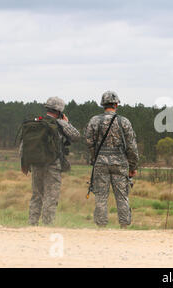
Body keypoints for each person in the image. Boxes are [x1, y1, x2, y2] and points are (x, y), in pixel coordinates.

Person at [20, 97, 80, 225]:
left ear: (47, 108)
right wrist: (66, 123)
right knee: (50, 197)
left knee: (36, 196)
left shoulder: (36, 122)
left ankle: (32, 225)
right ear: (59, 110)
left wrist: (24, 163)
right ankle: (47, 226)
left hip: (35, 164)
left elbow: (24, 144)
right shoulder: (60, 123)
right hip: (53, 165)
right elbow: (76, 136)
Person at [84, 91, 139, 228]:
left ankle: (101, 227)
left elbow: (89, 142)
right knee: (122, 196)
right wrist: (133, 166)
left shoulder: (94, 121)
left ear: (103, 104)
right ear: (116, 104)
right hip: (120, 163)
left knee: (101, 196)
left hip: (101, 162)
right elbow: (132, 146)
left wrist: (94, 158)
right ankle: (124, 226)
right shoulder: (124, 121)